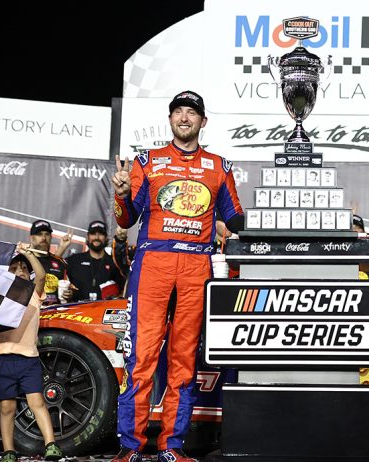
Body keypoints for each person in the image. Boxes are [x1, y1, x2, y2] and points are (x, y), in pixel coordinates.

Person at [111, 90, 245, 462]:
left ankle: (172, 445)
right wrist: (121, 195)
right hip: (153, 263)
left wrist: (273, 222)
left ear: (203, 121)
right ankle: (130, 446)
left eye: (192, 113)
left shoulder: (219, 166)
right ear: (170, 119)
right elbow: (127, 219)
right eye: (178, 112)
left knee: (184, 360)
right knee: (141, 357)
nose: (184, 118)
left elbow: (235, 218)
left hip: (197, 266)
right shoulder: (147, 160)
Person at [0, 244, 62, 462]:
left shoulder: (33, 294)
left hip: (29, 358)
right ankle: (8, 451)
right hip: (2, 358)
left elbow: (41, 275)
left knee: (37, 402)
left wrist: (29, 254)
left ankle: (51, 445)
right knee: (7, 407)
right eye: (14, 268)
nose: (20, 271)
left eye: (23, 268)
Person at [65, 220, 125, 302]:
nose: (96, 237)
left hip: (104, 309)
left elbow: (123, 289)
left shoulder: (114, 263)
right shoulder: (74, 260)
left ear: (106, 238)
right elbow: (54, 269)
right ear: (87, 237)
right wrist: (62, 247)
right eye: (93, 233)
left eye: (100, 234)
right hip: (77, 309)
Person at [28, 219, 69, 305]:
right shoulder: (24, 261)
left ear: (51, 237)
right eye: (39, 234)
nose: (44, 238)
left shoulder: (60, 262)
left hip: (54, 311)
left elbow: (69, 288)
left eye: (47, 234)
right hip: (32, 310)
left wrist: (69, 294)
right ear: (32, 238)